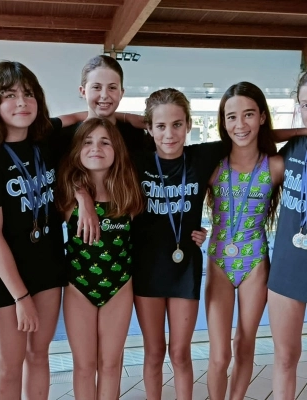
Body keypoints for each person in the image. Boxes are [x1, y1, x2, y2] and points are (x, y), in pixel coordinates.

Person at [0, 61, 66, 400]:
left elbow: (79, 118)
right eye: (9, 95)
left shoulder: (45, 141)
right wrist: (21, 298)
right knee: (10, 362)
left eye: (28, 94)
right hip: (8, 278)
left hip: (49, 268)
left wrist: (130, 118)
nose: (21, 102)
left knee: (39, 356)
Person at [128, 88, 225, 400]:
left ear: (189, 124)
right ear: (148, 128)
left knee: (181, 353)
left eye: (177, 124)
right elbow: (93, 126)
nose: (169, 134)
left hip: (185, 268)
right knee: (154, 352)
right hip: (147, 267)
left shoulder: (202, 157)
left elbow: (253, 136)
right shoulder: (136, 159)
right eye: (160, 126)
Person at [55, 117, 144, 399]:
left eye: (105, 142)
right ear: (77, 150)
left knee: (110, 364)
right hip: (78, 288)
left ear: (117, 149)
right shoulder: (68, 196)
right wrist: (82, 196)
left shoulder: (129, 194)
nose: (96, 148)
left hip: (119, 287)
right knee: (84, 365)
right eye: (88, 142)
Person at [205, 82, 283, 400]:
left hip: (255, 260)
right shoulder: (211, 165)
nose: (240, 125)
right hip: (219, 260)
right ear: (223, 122)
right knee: (220, 354)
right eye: (232, 117)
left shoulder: (275, 167)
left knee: (245, 343)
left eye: (249, 114)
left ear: (262, 117)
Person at [267, 71, 307, 399]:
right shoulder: (293, 146)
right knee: (285, 357)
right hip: (288, 266)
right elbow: (247, 139)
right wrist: (299, 129)